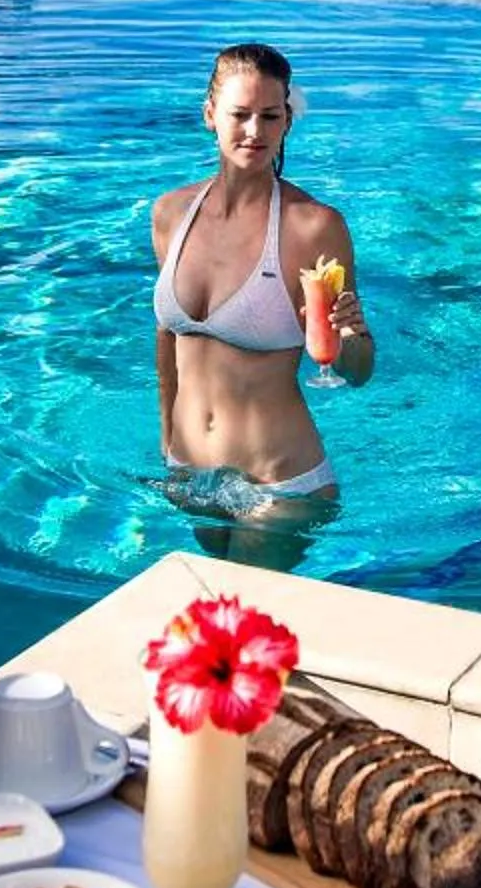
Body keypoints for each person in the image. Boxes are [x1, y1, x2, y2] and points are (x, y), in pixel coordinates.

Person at [151, 39, 371, 536]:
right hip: (189, 477)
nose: (255, 131)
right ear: (210, 115)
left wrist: (348, 340)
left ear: (287, 121)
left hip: (280, 487)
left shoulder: (313, 226)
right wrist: (167, 442)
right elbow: (167, 338)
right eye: (240, 115)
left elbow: (359, 371)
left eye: (270, 116)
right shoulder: (170, 214)